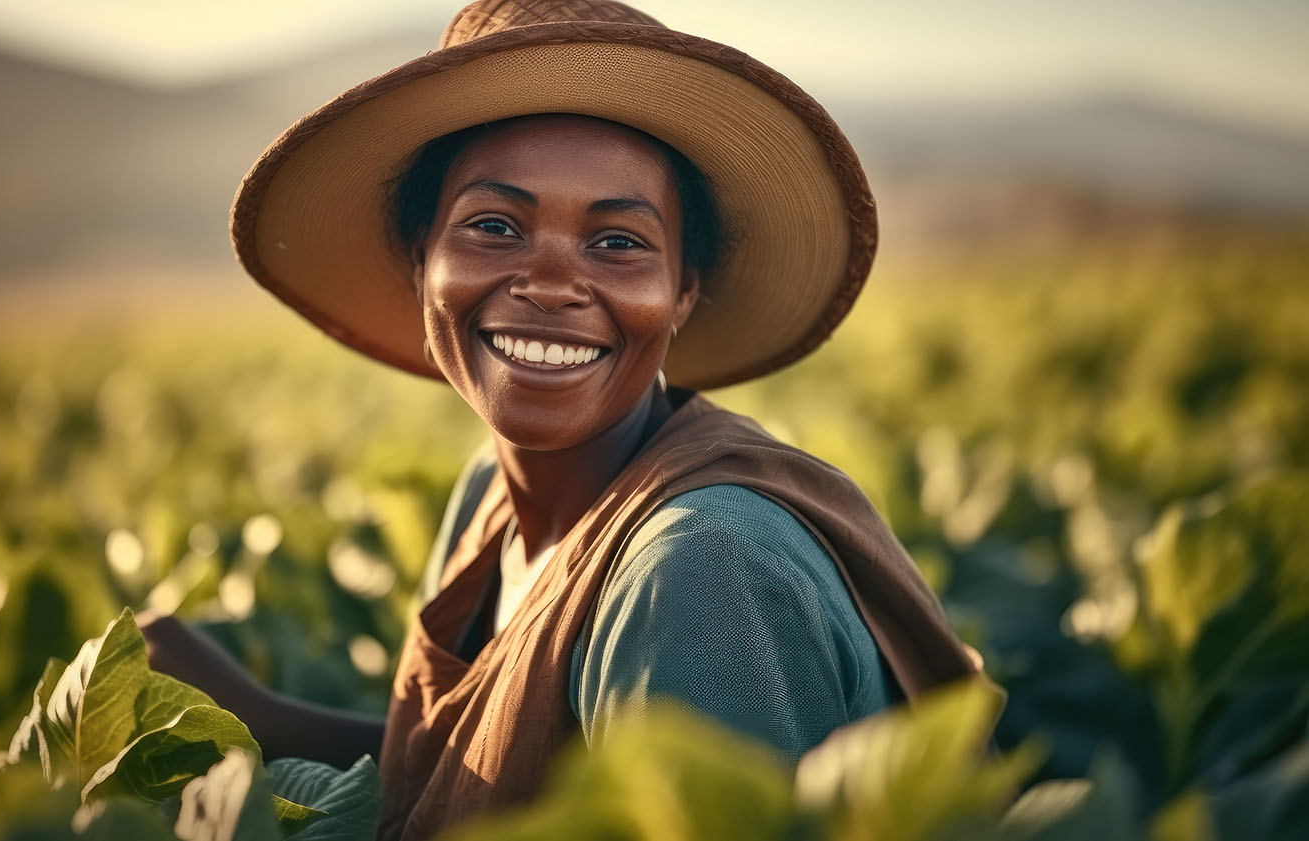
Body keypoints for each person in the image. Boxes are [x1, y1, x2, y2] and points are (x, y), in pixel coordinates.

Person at [140, 2, 978, 839]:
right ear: (419, 258)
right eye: (494, 226)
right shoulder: (490, 496)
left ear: (683, 291)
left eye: (617, 241)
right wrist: (252, 717)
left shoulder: (701, 570)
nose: (548, 282)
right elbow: (498, 779)